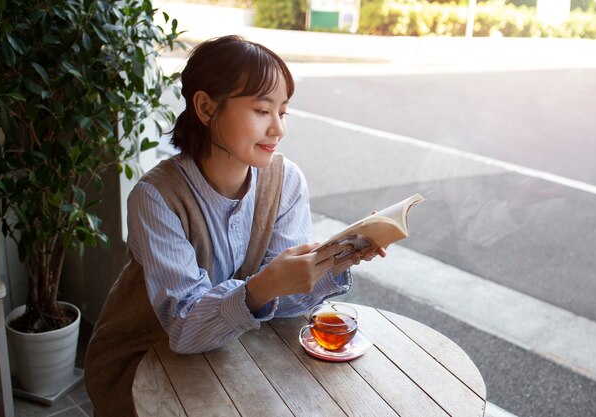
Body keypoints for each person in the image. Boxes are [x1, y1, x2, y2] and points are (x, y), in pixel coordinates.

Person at [84, 34, 385, 416]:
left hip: (229, 357)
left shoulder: (285, 181)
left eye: (283, 111)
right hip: (145, 364)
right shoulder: (155, 197)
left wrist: (339, 257)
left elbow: (280, 305)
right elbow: (183, 327)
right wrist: (265, 284)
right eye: (262, 111)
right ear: (207, 108)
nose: (278, 129)